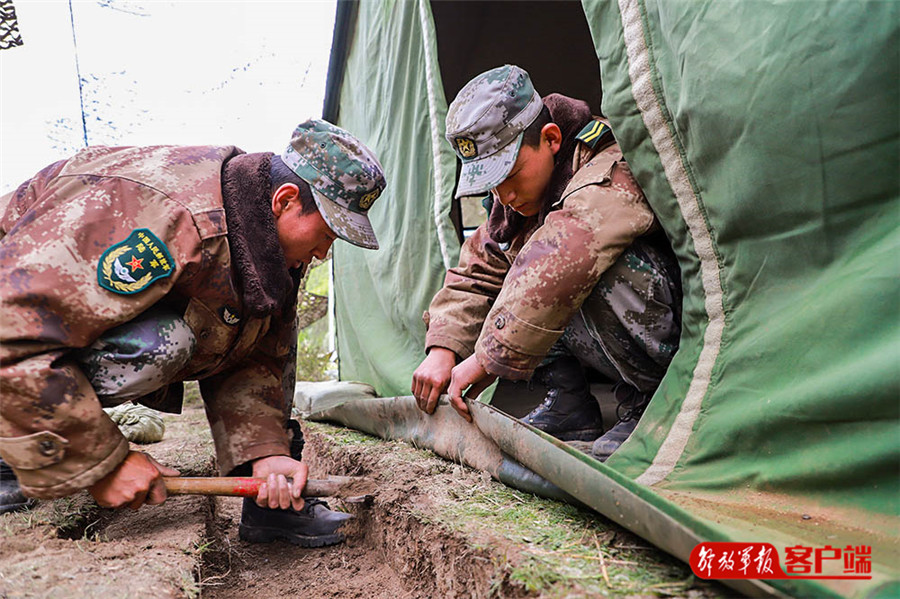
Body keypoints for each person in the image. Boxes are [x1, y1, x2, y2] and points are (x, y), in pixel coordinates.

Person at [0, 119, 386, 547]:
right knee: (160, 344)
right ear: (286, 200)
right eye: (327, 233)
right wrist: (104, 462)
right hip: (12, 324)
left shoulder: (259, 237)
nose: (322, 252)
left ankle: (269, 511)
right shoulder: (167, 218)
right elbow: (11, 330)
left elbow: (254, 349)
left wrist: (266, 454)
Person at [411, 65, 681, 460]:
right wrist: (443, 348)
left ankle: (656, 404)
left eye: (511, 174)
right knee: (517, 268)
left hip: (677, 327)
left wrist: (486, 358)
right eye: (491, 184)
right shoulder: (513, 201)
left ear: (551, 139)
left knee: (558, 267)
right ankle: (569, 407)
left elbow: (570, 246)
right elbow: (475, 273)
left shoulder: (610, 158)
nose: (504, 196)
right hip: (610, 334)